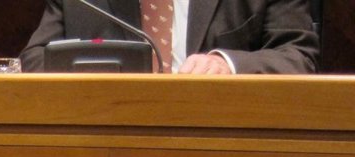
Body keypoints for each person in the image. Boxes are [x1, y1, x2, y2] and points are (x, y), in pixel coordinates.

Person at [20, 0, 319, 74]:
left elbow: (297, 56)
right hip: (109, 149)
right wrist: (99, 74)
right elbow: (35, 58)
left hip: (222, 150)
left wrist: (227, 65)